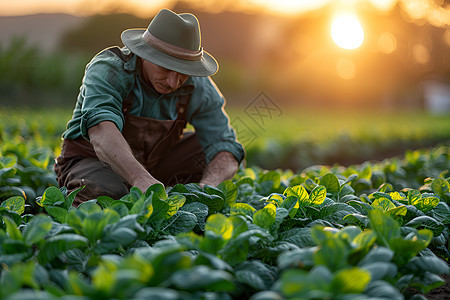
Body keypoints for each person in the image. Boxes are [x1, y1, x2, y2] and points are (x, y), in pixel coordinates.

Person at [54, 8, 245, 206]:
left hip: (153, 164)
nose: (173, 82)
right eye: (165, 68)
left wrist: (208, 186)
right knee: (106, 194)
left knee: (210, 152)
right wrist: (139, 178)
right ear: (145, 54)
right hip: (92, 159)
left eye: (183, 72)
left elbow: (226, 147)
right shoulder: (110, 70)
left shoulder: (199, 86)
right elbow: (101, 131)